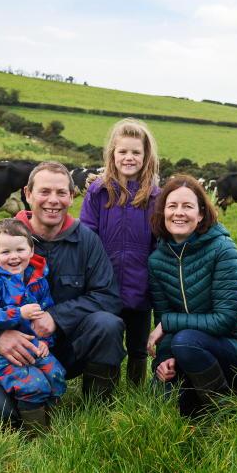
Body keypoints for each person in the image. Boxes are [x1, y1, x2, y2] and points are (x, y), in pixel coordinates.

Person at [0, 161, 125, 428]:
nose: (53, 200)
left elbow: (108, 295)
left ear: (71, 197)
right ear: (27, 194)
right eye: (44, 192)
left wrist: (56, 318)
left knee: (107, 324)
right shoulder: (7, 241)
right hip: (14, 353)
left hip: (68, 347)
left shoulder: (87, 241)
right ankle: (33, 402)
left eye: (61, 193)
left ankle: (97, 413)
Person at [146, 174, 237, 416]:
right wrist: (164, 360)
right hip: (191, 347)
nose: (179, 213)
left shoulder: (223, 249)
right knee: (162, 394)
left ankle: (223, 406)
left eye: (187, 206)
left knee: (184, 340)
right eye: (172, 206)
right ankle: (201, 394)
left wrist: (169, 323)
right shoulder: (156, 261)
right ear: (163, 212)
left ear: (201, 214)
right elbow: (162, 319)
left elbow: (224, 320)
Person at [80, 118, 160, 386]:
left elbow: (159, 243)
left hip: (141, 286)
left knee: (138, 347)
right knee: (108, 341)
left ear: (146, 156)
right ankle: (104, 391)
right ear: (112, 154)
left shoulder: (155, 197)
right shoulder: (98, 192)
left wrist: (152, 279)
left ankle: (135, 393)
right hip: (105, 286)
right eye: (122, 151)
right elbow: (87, 235)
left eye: (136, 152)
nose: (129, 157)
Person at [0, 218, 66, 432]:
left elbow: (44, 314)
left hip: (33, 346)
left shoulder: (37, 278)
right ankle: (36, 433)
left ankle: (53, 422)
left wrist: (45, 341)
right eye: (5, 252)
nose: (14, 257)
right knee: (33, 384)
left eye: (20, 250)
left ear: (31, 250)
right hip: (0, 355)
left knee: (56, 374)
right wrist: (19, 313)